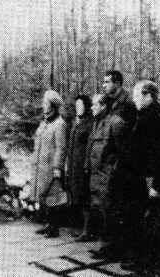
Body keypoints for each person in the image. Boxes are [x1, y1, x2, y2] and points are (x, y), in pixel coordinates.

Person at [120, 80, 160, 273]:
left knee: (155, 224)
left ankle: (156, 266)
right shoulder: (142, 116)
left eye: (137, 96)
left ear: (148, 96)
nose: (134, 99)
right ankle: (142, 261)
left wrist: (157, 185)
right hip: (140, 180)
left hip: (152, 181)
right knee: (141, 222)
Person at [86, 94, 127, 258]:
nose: (91, 107)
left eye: (95, 104)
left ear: (103, 106)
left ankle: (112, 248)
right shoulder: (97, 123)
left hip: (108, 179)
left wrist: (112, 174)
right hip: (96, 177)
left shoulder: (116, 123)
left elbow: (122, 154)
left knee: (110, 213)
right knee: (100, 213)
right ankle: (105, 246)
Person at [32, 90, 68, 238]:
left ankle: (54, 227)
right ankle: (48, 224)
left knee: (54, 197)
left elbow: (61, 147)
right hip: (40, 166)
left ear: (53, 106)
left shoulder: (60, 124)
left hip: (51, 167)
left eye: (46, 103)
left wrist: (57, 167)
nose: (43, 106)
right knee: (43, 196)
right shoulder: (44, 123)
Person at [66, 95, 94, 241]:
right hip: (73, 166)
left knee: (85, 197)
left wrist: (86, 164)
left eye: (81, 105)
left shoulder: (90, 124)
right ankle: (79, 226)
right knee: (75, 194)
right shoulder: (75, 123)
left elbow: (89, 146)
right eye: (76, 105)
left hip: (83, 165)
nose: (78, 108)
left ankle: (87, 230)